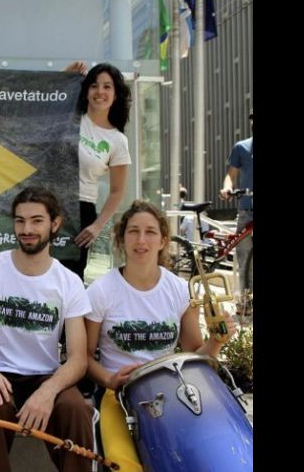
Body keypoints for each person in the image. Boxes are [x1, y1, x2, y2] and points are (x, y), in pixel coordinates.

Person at [84, 200, 237, 471]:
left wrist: (216, 341)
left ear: (163, 240)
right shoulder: (101, 291)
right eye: (133, 231)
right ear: (122, 238)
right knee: (124, 465)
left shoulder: (179, 289)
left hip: (171, 392)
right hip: (117, 396)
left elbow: (195, 356)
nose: (141, 240)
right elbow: (83, 358)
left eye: (150, 232)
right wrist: (109, 379)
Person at [0, 186, 94, 472]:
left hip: (45, 376)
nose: (26, 229)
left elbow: (78, 358)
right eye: (20, 221)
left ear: (54, 224)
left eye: (36, 220)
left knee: (77, 410)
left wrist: (48, 390)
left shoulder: (68, 282)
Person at [61, 62, 132, 282]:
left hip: (81, 211)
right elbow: (47, 101)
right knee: (35, 271)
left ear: (116, 94)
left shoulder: (117, 140)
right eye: (94, 85)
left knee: (70, 279)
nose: (100, 91)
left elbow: (117, 191)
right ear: (86, 90)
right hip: (48, 202)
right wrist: (66, 77)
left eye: (107, 87)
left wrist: (96, 226)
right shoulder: (70, 116)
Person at [220, 109, 253, 293]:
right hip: (247, 211)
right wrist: (227, 189)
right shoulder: (242, 147)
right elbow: (230, 175)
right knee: (244, 259)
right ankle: (246, 306)